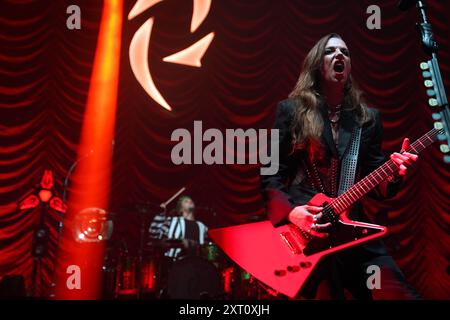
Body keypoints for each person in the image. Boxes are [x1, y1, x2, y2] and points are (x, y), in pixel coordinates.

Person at [261, 33, 421, 299]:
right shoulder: (291, 112)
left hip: (353, 230)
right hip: (310, 233)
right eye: (330, 51)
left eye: (345, 52)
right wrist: (291, 213)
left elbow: (378, 183)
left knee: (399, 293)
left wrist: (393, 173)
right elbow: (270, 174)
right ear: (316, 64)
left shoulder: (367, 118)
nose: (339, 55)